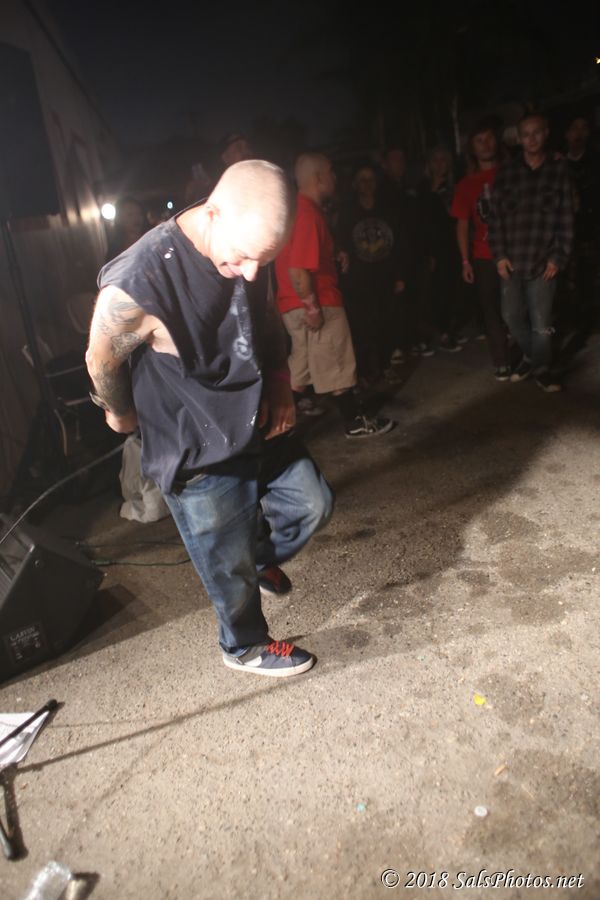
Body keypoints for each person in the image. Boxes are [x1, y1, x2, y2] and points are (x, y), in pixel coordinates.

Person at [86, 160, 334, 677]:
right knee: (227, 566)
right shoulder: (141, 280)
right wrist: (119, 412)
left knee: (312, 503)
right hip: (195, 443)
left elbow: (265, 315)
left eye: (262, 259)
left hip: (253, 417)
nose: (251, 271)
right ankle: (243, 645)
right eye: (243, 256)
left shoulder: (245, 243)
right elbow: (101, 357)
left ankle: (256, 557)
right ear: (213, 213)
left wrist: (281, 381)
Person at [275, 152, 394, 438]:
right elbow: (298, 269)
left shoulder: (296, 210)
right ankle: (354, 421)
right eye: (330, 171)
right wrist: (313, 308)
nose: (335, 177)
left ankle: (273, 430)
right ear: (318, 178)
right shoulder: (308, 213)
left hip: (292, 303)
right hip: (317, 301)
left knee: (301, 370)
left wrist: (334, 252)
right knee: (338, 364)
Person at [488, 112, 574, 392]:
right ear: (519, 138)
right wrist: (499, 255)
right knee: (511, 317)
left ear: (546, 133)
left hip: (544, 261)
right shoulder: (507, 173)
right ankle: (533, 357)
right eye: (526, 134)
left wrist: (558, 257)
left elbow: (565, 217)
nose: (532, 138)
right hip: (511, 260)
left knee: (541, 325)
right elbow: (495, 219)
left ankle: (542, 369)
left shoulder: (558, 170)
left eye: (537, 132)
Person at [451, 118, 512, 381]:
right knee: (491, 311)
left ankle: (529, 352)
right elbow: (462, 225)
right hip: (484, 257)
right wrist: (465, 261)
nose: (485, 144)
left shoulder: (512, 172)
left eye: (489, 138)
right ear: (472, 148)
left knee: (517, 308)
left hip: (515, 251)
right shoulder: (466, 185)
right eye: (479, 140)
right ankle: (502, 360)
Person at [337, 162, 407, 382]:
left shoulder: (388, 209)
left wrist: (400, 276)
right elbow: (341, 245)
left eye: (371, 179)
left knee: (386, 323)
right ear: (355, 184)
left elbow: (398, 244)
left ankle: (385, 365)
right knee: (362, 327)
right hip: (358, 280)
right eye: (362, 180)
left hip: (384, 276)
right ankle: (365, 371)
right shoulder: (347, 212)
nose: (367, 184)